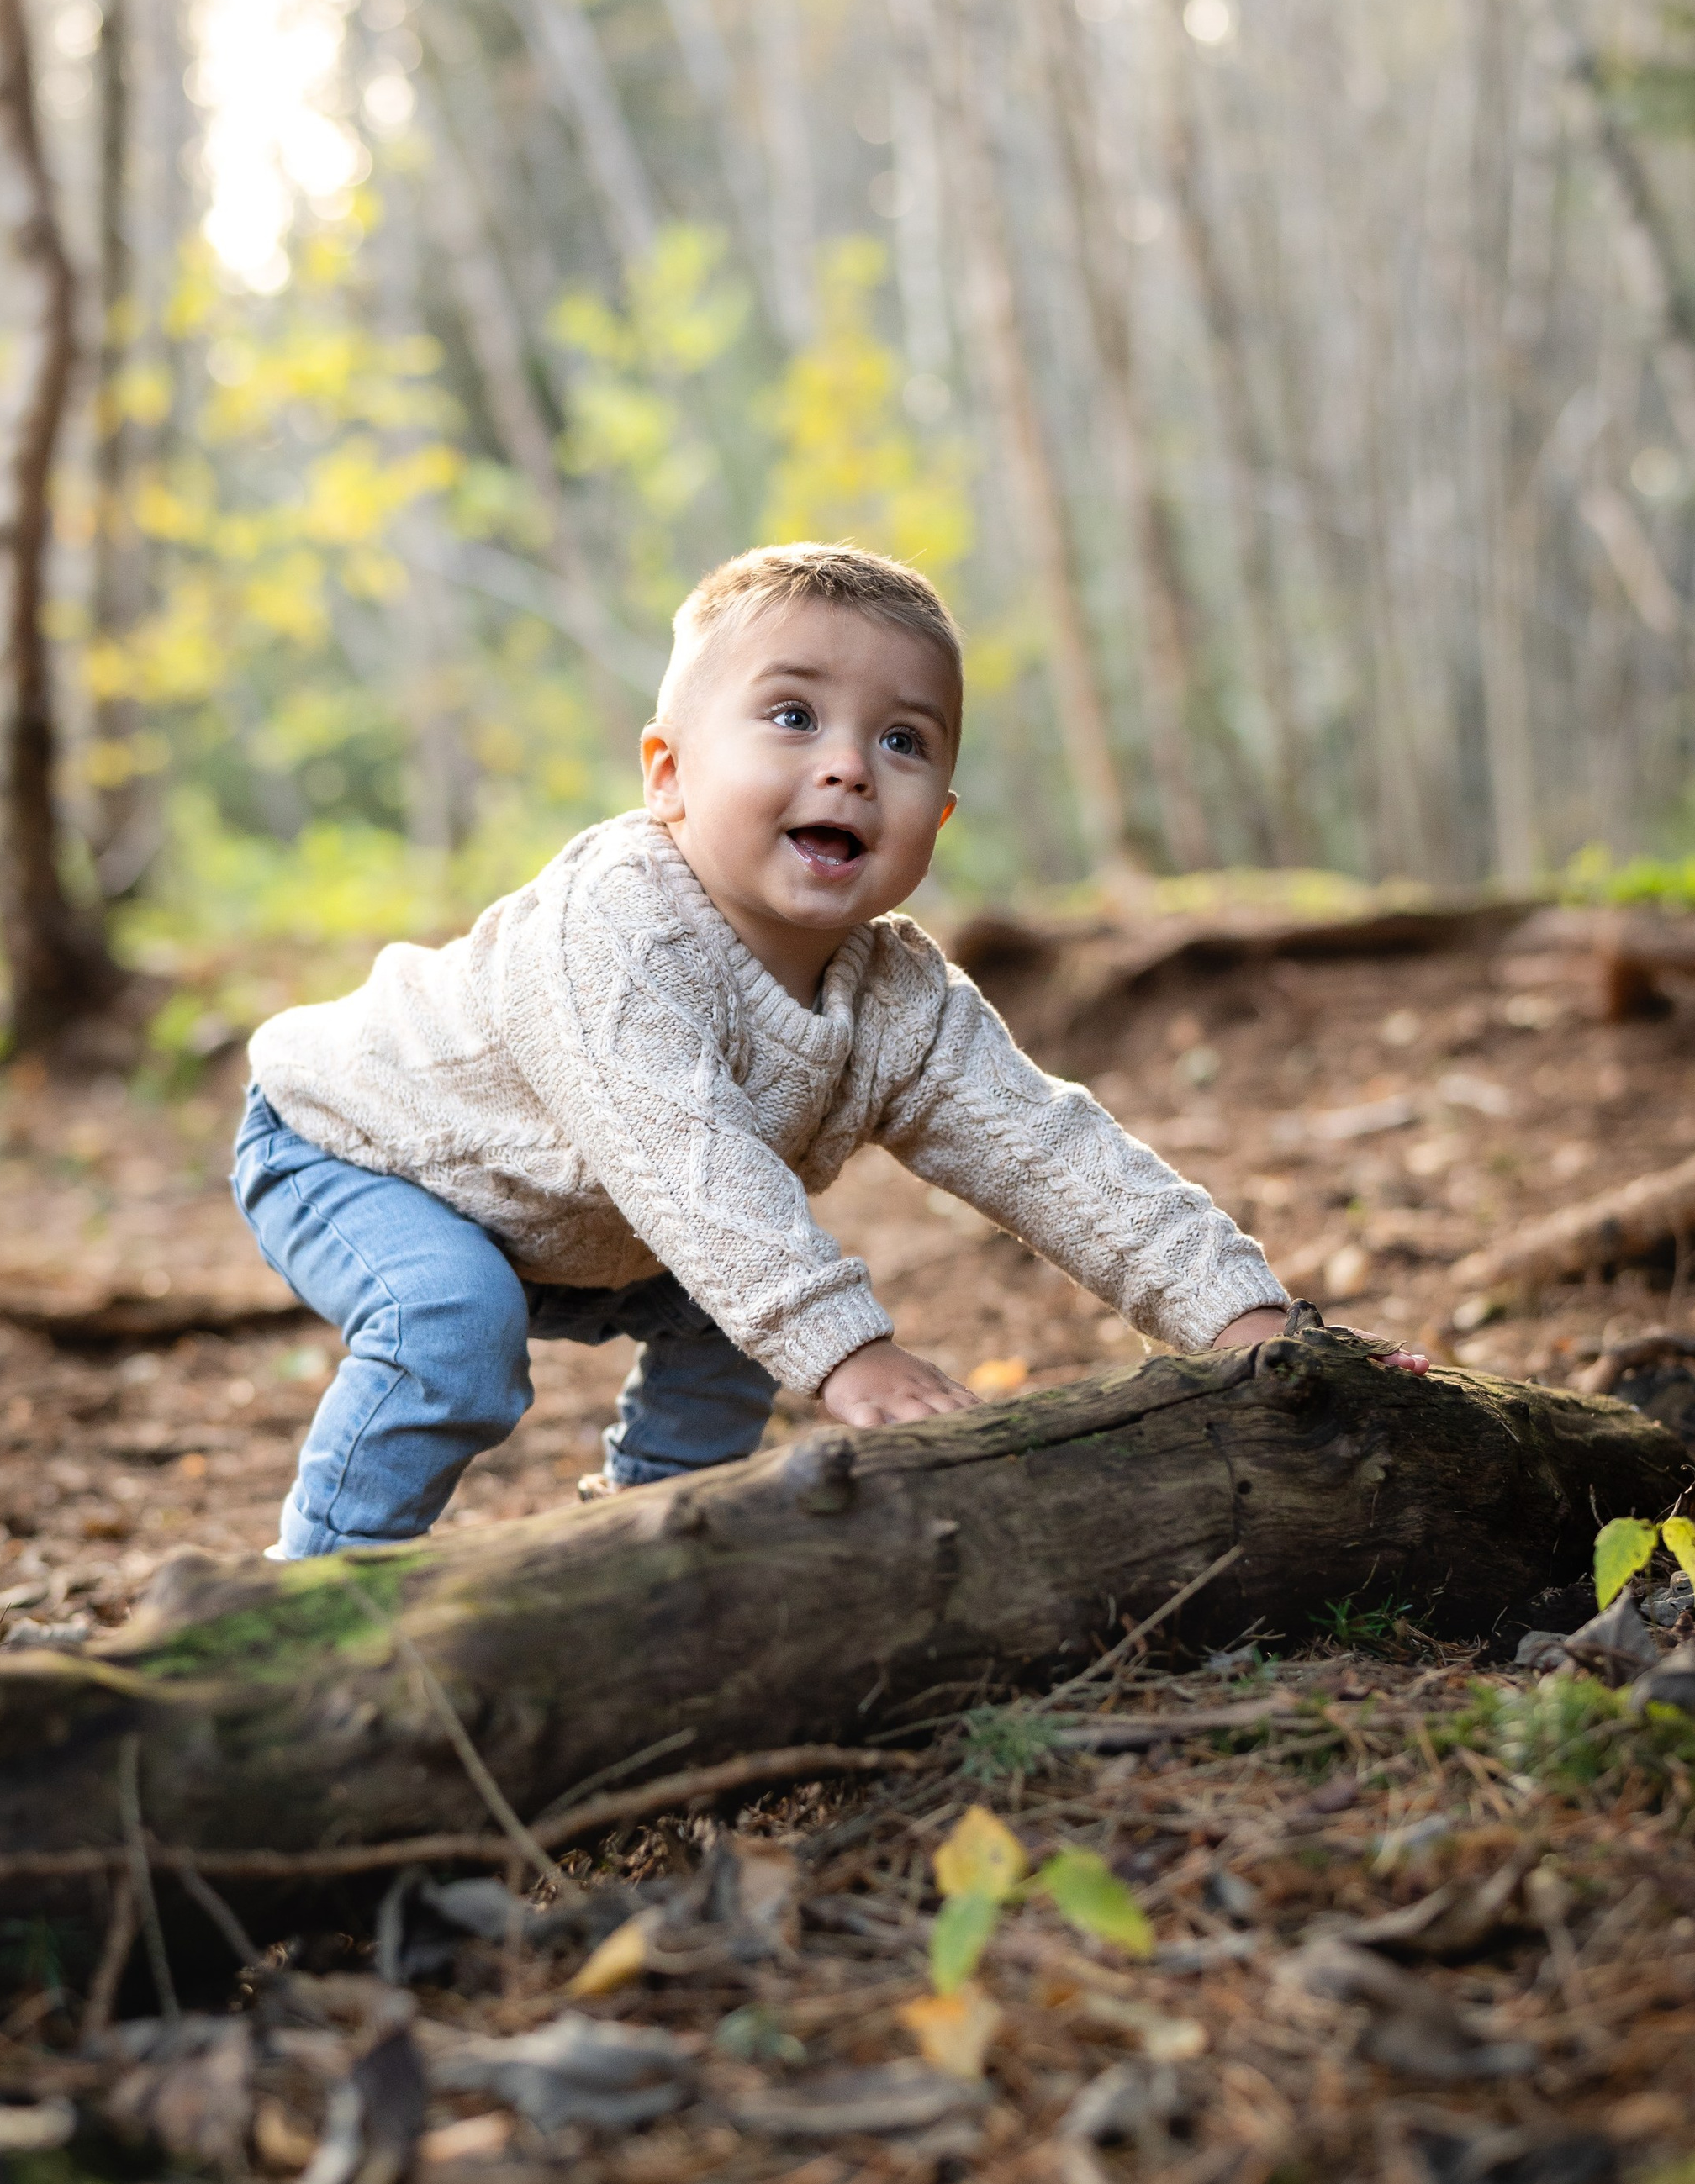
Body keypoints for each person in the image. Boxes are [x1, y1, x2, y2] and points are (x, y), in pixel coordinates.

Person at [235, 541, 1422, 1560]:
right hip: (362, 1152)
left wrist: (1256, 1330)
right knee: (454, 1325)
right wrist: (849, 1354)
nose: (850, 764)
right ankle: (307, 1608)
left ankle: (650, 1556)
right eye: (793, 717)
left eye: (904, 741)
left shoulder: (902, 998)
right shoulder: (612, 927)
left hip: (584, 1223)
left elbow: (1060, 1159)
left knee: (731, 1325)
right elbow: (679, 1153)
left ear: (938, 820)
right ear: (670, 777)